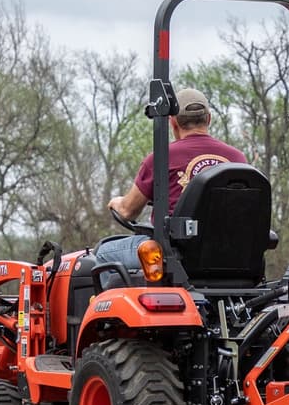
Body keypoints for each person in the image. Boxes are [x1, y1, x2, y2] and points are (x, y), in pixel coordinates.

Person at [95, 87, 247, 282]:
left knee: (105, 253)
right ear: (208, 119)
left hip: (177, 253)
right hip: (229, 255)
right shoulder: (237, 158)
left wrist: (116, 202)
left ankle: (110, 311)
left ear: (173, 122)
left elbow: (128, 211)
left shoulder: (160, 158)